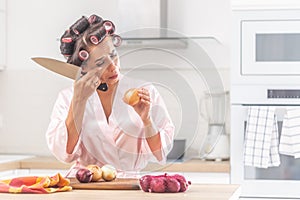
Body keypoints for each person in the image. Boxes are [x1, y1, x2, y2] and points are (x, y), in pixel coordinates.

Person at [46, 14, 175, 176]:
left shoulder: (144, 91)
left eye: (113, 55)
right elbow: (65, 153)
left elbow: (160, 153)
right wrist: (78, 100)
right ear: (83, 68)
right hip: (86, 184)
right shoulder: (67, 98)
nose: (113, 67)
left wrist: (146, 120)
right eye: (100, 63)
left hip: (129, 185)